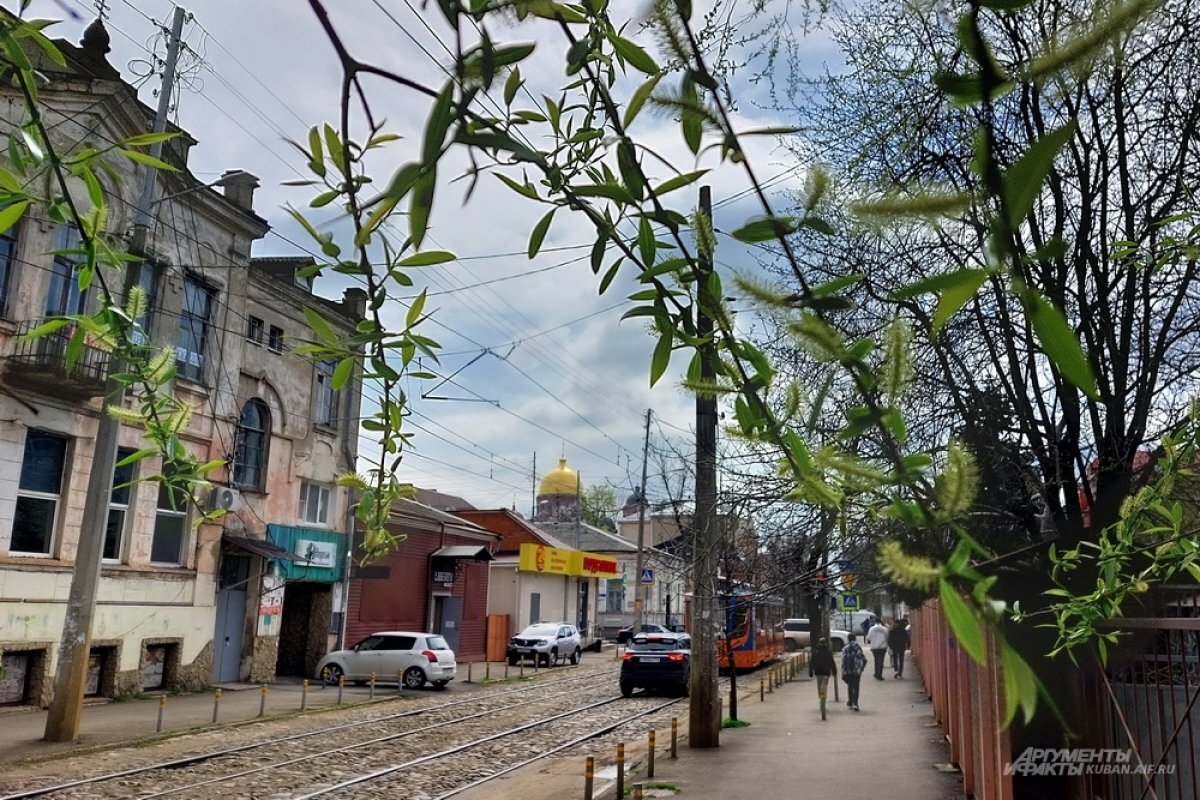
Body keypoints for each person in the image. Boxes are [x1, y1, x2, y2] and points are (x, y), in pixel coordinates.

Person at [809, 637, 837, 720]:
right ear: (826, 643)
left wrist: (810, 671)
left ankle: (821, 701)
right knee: (824, 687)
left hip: (818, 673)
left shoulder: (816, 652)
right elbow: (832, 662)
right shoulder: (828, 652)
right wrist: (834, 672)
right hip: (826, 673)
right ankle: (823, 700)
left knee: (819, 688)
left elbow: (812, 662)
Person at [840, 632, 867, 711]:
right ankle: (856, 703)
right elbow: (862, 658)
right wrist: (861, 668)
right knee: (856, 686)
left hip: (849, 670)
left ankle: (850, 701)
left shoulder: (846, 648)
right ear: (855, 638)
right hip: (856, 670)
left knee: (850, 685)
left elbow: (844, 659)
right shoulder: (858, 647)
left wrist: (843, 670)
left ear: (848, 639)